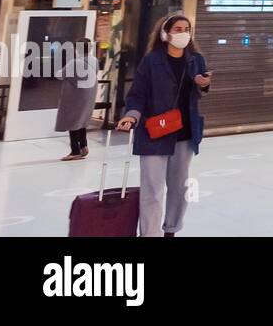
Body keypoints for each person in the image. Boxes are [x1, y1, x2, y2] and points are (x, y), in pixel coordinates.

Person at [115, 14, 212, 236]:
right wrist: (131, 116)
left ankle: (171, 229)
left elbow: (199, 92)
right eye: (178, 29)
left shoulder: (196, 59)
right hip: (153, 132)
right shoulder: (151, 61)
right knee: (152, 190)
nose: (183, 33)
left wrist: (204, 85)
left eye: (187, 28)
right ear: (165, 33)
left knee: (179, 188)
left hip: (184, 134)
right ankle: (150, 233)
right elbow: (137, 94)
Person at [56, 39, 98, 161]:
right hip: (89, 95)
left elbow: (60, 74)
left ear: (76, 49)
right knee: (82, 120)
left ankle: (75, 151)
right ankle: (84, 146)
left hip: (76, 96)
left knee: (72, 120)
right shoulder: (94, 60)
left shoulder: (75, 62)